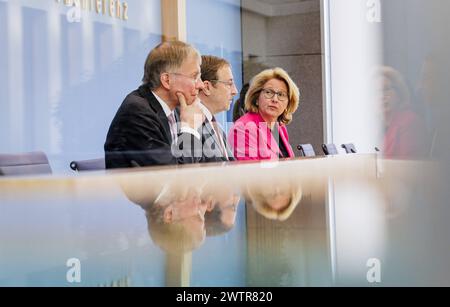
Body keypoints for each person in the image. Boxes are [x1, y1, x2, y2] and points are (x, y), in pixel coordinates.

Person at [104, 40, 205, 169]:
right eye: (194, 76)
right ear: (167, 80)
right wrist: (189, 129)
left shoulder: (179, 110)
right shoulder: (136, 112)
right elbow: (173, 175)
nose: (201, 85)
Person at [229, 68, 300, 161]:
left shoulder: (280, 127)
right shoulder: (244, 128)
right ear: (256, 98)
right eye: (268, 92)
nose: (275, 99)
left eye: (281, 95)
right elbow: (249, 172)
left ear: (288, 103)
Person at [375, 66, 427, 159]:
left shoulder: (410, 122)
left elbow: (407, 169)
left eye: (386, 89)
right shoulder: (375, 126)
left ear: (399, 93)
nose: (381, 96)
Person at [198, 55, 238, 162]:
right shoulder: (192, 125)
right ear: (206, 87)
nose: (235, 91)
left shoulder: (217, 127)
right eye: (229, 84)